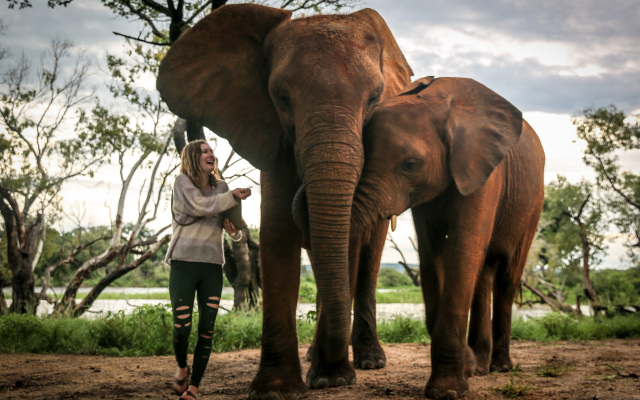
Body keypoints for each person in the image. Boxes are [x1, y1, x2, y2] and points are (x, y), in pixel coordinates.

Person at [165, 139, 252, 400]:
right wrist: (228, 198)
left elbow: (234, 230)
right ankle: (182, 367)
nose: (210, 154)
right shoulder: (182, 183)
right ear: (193, 157)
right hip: (183, 264)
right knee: (182, 325)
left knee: (207, 328)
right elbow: (198, 206)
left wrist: (234, 233)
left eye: (211, 151)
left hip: (212, 266)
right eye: (204, 151)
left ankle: (194, 389)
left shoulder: (223, 188)